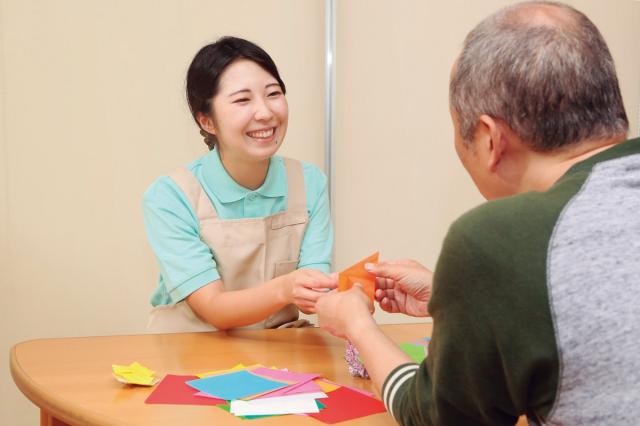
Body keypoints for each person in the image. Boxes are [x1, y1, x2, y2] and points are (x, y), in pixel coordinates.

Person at [316, 1, 640, 424]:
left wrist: (359, 326)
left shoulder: (495, 239)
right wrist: (463, 299)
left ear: (490, 139)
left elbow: (436, 417)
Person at [143, 36, 336, 333]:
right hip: (192, 349)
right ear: (207, 121)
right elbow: (214, 308)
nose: (265, 112)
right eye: (243, 100)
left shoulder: (309, 182)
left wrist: (352, 294)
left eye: (273, 94)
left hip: (281, 351)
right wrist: (287, 288)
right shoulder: (171, 196)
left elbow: (315, 288)